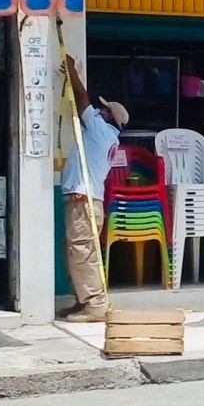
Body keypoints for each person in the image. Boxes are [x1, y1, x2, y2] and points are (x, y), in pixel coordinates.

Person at [60, 55, 129, 323]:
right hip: (85, 200)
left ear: (109, 116)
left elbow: (84, 102)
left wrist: (72, 72)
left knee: (82, 253)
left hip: (84, 200)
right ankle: (83, 302)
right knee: (77, 253)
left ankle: (95, 305)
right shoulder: (104, 136)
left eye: (104, 110)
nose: (99, 111)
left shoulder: (101, 131)